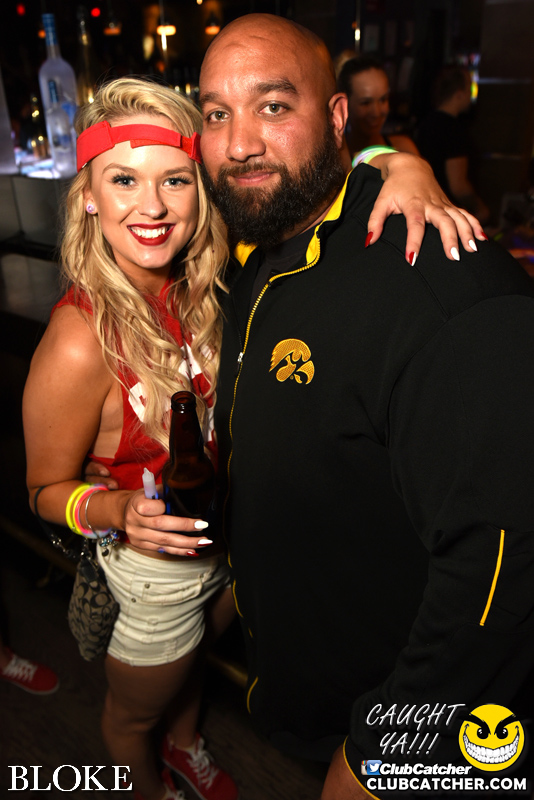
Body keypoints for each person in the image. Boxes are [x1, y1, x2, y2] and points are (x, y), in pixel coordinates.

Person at [193, 14, 534, 800]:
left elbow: (504, 564)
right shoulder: (261, 250)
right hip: (306, 686)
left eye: (273, 106)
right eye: (216, 113)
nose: (239, 143)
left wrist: (393, 747)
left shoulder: (445, 289)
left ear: (338, 115)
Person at [22, 78, 238, 800]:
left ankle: (186, 743)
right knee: (129, 717)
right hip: (156, 572)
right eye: (124, 180)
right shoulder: (79, 338)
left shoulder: (206, 287)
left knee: (196, 661)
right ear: (89, 195)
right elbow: (42, 490)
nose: (152, 206)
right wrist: (116, 512)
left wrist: (401, 165)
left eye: (175, 179)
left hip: (228, 539)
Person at [417, 65, 490, 224]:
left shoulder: (424, 124)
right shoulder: (453, 130)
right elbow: (458, 186)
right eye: (469, 88)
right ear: (459, 94)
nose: (471, 95)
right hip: (450, 216)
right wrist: (480, 209)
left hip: (428, 212)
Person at [338, 56, 420, 162]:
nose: (376, 112)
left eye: (383, 100)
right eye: (366, 103)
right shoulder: (335, 157)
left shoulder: (403, 149)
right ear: (345, 104)